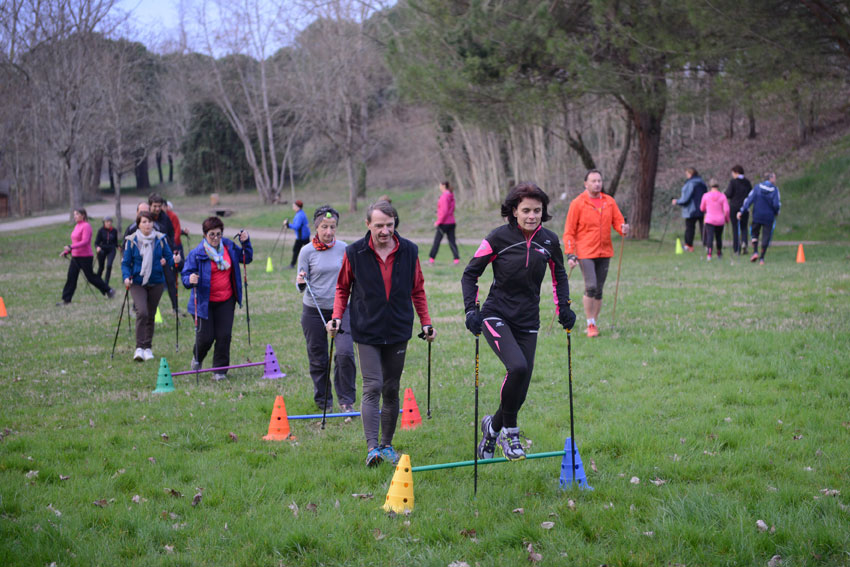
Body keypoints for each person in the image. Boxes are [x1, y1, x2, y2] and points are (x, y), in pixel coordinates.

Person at [462, 182, 575, 462]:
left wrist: (565, 309)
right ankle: (510, 433)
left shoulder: (549, 240)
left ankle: (492, 428)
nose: (532, 215)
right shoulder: (498, 238)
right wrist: (470, 311)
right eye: (526, 210)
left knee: (520, 390)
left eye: (537, 210)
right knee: (517, 366)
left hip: (528, 320)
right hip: (495, 315)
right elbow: (470, 274)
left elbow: (559, 276)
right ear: (514, 211)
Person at [326, 200, 435, 467]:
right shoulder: (355, 252)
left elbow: (417, 289)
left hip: (398, 328)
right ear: (368, 225)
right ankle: (372, 447)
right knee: (372, 385)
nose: (384, 231)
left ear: (395, 223)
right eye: (379, 226)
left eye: (389, 225)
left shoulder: (409, 250)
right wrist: (337, 317)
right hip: (367, 328)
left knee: (391, 387)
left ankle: (387, 445)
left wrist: (426, 322)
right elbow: (342, 288)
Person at [296, 206, 357, 412]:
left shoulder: (344, 249)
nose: (329, 232)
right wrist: (301, 281)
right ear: (317, 228)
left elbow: (352, 277)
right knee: (318, 357)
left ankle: (347, 400)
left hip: (342, 309)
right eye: (324, 227)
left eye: (332, 227)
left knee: (345, 353)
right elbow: (300, 283)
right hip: (314, 310)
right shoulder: (306, 251)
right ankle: (323, 400)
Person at [182, 217, 253, 380]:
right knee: (206, 337)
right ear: (205, 235)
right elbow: (185, 275)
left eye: (218, 234)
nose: (215, 238)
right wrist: (190, 279)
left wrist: (246, 242)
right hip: (203, 302)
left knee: (224, 335)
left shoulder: (228, 246)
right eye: (211, 234)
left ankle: (220, 371)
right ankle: (197, 358)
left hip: (226, 300)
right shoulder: (197, 254)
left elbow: (246, 258)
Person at [562, 170, 629, 338]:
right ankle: (589, 323)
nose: (597, 184)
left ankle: (594, 322)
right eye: (593, 181)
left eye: (599, 181)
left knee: (599, 290)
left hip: (605, 251)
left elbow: (618, 222)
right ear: (586, 184)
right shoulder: (577, 203)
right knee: (591, 286)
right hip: (585, 252)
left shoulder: (609, 202)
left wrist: (623, 229)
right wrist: (570, 254)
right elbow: (569, 231)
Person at [122, 211, 177, 361]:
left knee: (151, 315)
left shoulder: (160, 239)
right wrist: (126, 277)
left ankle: (148, 348)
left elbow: (169, 258)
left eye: (150, 221)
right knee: (143, 312)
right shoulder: (132, 240)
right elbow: (126, 263)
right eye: (144, 222)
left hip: (156, 282)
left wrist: (173, 260)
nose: (147, 224)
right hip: (137, 282)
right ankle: (139, 348)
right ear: (138, 224)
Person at [58, 208, 116, 305]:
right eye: (74, 214)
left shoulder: (86, 226)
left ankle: (109, 290)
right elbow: (75, 242)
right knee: (71, 277)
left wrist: (70, 247)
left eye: (77, 214)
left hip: (85, 257)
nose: (75, 216)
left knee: (91, 277)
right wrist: (67, 251)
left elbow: (84, 242)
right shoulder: (77, 226)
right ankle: (66, 300)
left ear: (83, 215)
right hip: (75, 256)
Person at [738, 172, 781, 265]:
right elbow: (776, 204)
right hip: (769, 217)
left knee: (754, 233)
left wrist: (742, 211)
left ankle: (755, 252)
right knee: (766, 236)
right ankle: (762, 258)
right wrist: (777, 211)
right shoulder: (775, 190)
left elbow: (749, 200)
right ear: (771, 179)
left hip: (757, 215)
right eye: (775, 178)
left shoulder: (757, 188)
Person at [148, 194, 179, 313]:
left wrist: (173, 249)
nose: (157, 209)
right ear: (150, 206)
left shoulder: (165, 218)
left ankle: (175, 308)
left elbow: (170, 234)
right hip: (149, 256)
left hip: (164, 255)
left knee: (171, 281)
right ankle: (142, 307)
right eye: (155, 206)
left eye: (159, 206)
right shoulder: (146, 218)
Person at [672, 168, 707, 252]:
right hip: (703, 208)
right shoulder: (702, 183)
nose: (686, 176)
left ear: (690, 174)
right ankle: (707, 245)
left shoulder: (690, 184)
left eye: (687, 174)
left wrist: (677, 201)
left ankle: (689, 246)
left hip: (691, 210)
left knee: (690, 228)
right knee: (704, 228)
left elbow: (685, 198)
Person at [428, 181, 461, 265]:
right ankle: (456, 260)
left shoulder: (444, 196)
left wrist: (438, 222)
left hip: (444, 223)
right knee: (452, 241)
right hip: (451, 222)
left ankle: (431, 259)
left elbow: (445, 211)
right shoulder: (451, 195)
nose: (439, 187)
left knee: (437, 241)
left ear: (443, 186)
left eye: (440, 185)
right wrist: (438, 212)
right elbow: (450, 209)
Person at [700, 179, 730, 261]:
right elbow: (726, 210)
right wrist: (727, 219)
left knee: (710, 236)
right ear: (718, 186)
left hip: (709, 219)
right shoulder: (723, 196)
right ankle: (719, 252)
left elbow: (702, 208)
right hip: (720, 220)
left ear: (710, 186)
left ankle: (709, 254)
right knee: (718, 237)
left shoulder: (705, 196)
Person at [724, 165, 752, 255]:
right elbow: (750, 195)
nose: (732, 175)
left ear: (736, 172)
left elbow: (728, 194)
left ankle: (736, 248)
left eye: (733, 173)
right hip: (744, 207)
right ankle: (744, 242)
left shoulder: (733, 182)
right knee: (744, 227)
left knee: (735, 227)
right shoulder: (747, 182)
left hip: (734, 207)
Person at [283, 200, 310, 269]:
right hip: (304, 236)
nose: (293, 207)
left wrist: (288, 225)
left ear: (298, 207)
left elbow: (297, 226)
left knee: (296, 250)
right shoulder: (300, 213)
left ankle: (292, 265)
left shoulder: (300, 215)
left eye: (294, 206)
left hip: (302, 237)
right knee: (308, 250)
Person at [95, 216, 119, 287]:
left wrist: (118, 246)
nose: (108, 223)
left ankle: (106, 283)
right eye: (107, 222)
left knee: (109, 265)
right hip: (102, 250)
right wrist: (97, 247)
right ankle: (97, 281)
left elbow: (115, 242)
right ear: (104, 223)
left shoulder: (114, 231)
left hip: (111, 250)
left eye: (110, 222)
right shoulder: (101, 230)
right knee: (101, 267)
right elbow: (96, 242)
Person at [165, 201, 189, 270]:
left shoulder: (173, 216)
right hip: (167, 245)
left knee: (179, 265)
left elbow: (177, 231)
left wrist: (172, 244)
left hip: (175, 244)